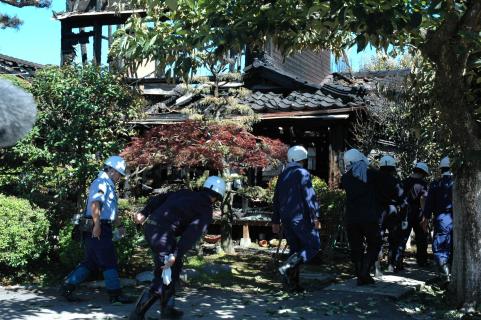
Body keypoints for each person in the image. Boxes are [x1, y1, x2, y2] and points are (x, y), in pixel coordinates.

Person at [129, 176, 226, 320]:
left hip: (152, 229)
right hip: (163, 235)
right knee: (164, 275)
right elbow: (191, 235)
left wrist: (144, 212)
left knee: (173, 269)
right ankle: (137, 314)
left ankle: (168, 310)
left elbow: (158, 199)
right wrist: (176, 254)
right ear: (217, 197)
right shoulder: (206, 210)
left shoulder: (185, 192)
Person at [59, 155, 134, 304]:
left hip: (101, 225)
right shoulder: (101, 183)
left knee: (91, 262)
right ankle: (116, 295)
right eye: (119, 173)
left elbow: (112, 210)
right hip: (98, 226)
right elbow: (95, 205)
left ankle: (67, 286)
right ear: (111, 170)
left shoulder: (108, 184)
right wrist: (97, 225)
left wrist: (120, 226)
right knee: (109, 260)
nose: (120, 177)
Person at [271, 145, 321, 292]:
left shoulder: (283, 174)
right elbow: (309, 198)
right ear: (301, 159)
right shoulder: (302, 173)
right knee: (313, 246)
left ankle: (293, 285)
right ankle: (287, 267)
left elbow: (276, 199)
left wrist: (275, 220)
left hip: (286, 219)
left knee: (295, 251)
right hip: (301, 218)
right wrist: (315, 216)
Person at [341, 149, 384, 285]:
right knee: (375, 244)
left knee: (356, 247)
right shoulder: (371, 174)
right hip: (369, 217)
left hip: (352, 218)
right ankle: (365, 271)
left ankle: (361, 276)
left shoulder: (345, 178)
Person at [423, 156, 453, 282]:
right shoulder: (459, 182)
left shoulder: (436, 184)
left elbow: (429, 204)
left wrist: (426, 219)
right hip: (457, 219)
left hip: (441, 219)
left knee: (440, 247)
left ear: (441, 169)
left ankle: (445, 276)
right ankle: (451, 274)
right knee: (452, 245)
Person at [375, 155, 406, 275]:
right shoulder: (395, 181)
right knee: (394, 238)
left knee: (377, 238)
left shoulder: (374, 179)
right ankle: (390, 265)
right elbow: (403, 200)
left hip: (377, 210)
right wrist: (403, 217)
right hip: (392, 210)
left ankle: (376, 267)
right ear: (393, 167)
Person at [397, 162, 430, 270]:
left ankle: (397, 262)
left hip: (404, 212)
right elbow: (423, 198)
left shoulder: (403, 182)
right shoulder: (422, 184)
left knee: (402, 237)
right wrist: (425, 214)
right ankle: (422, 261)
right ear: (423, 173)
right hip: (418, 213)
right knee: (421, 237)